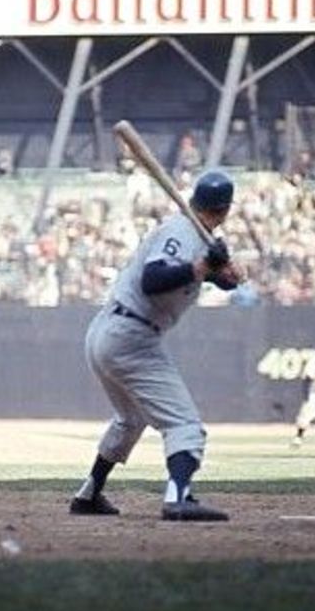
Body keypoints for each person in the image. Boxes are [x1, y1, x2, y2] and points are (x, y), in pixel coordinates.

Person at [70, 170, 243, 521]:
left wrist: (220, 274)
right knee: (184, 425)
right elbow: (153, 280)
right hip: (131, 335)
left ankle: (89, 494)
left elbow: (214, 278)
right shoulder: (181, 230)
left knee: (130, 419)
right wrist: (201, 267)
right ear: (225, 209)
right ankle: (178, 498)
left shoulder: (196, 236)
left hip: (110, 330)